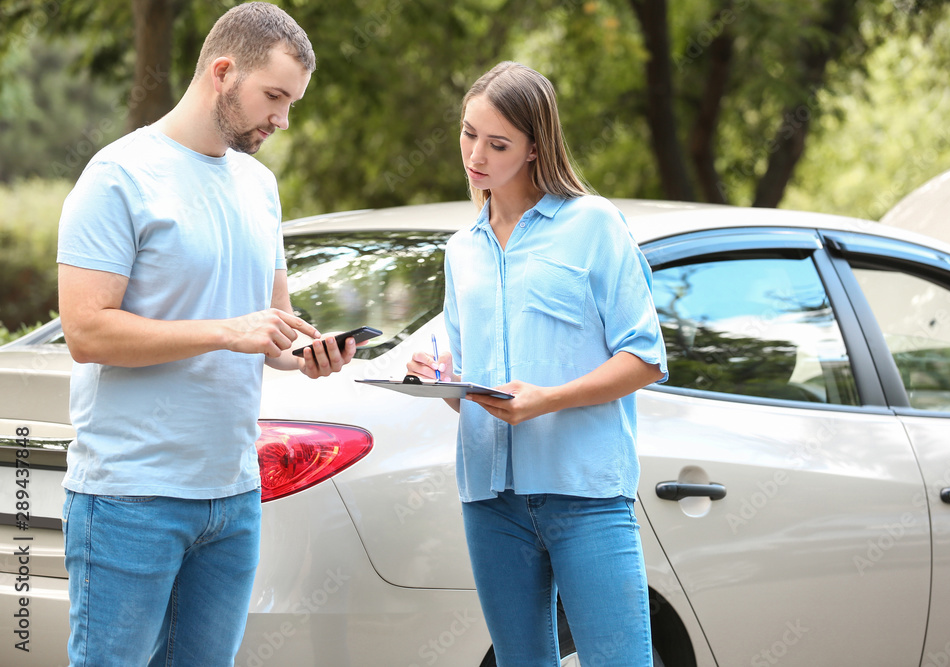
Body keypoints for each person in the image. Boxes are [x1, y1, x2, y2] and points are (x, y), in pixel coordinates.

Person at [55, 4, 348, 665]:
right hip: (132, 494)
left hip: (232, 496)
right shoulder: (117, 177)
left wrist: (307, 354)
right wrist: (226, 331)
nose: (283, 119)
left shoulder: (259, 185)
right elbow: (87, 329)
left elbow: (270, 329)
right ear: (223, 72)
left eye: (292, 101)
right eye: (274, 96)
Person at [406, 61, 669, 666]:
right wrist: (441, 383)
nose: (475, 154)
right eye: (469, 133)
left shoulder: (593, 225)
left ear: (533, 149)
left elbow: (645, 357)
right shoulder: (462, 249)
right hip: (489, 498)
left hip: (585, 495)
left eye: (497, 144)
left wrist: (547, 399)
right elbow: (470, 379)